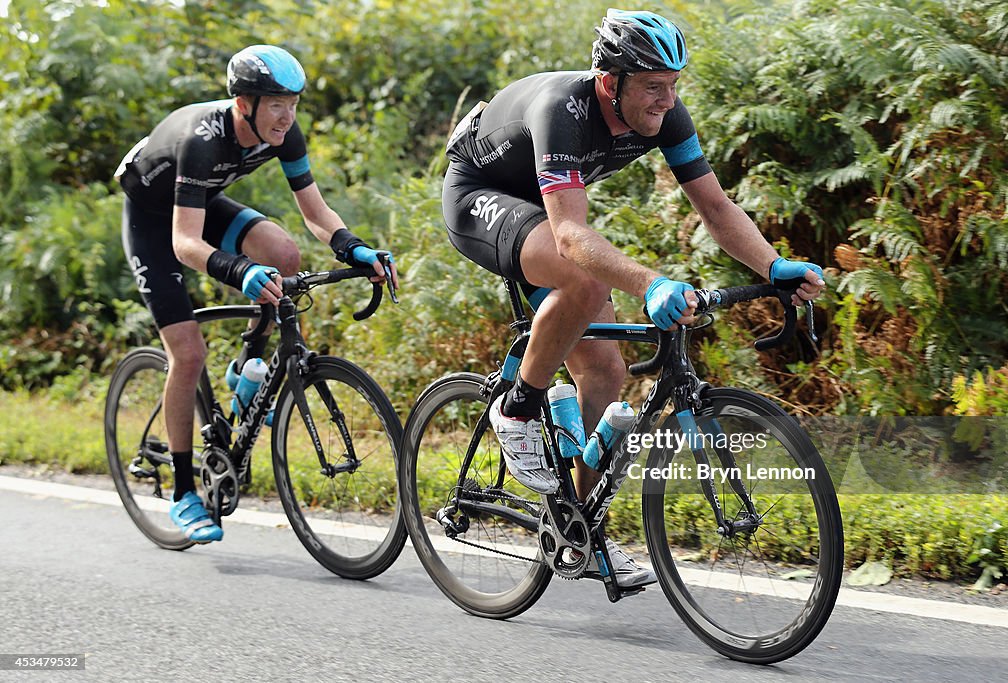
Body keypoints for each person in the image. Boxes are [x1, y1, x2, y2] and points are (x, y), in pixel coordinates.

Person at [441, 10, 824, 587]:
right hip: (481, 194)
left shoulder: (663, 112)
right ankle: (517, 405)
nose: (667, 99)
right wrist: (652, 283)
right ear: (608, 83)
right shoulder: (562, 111)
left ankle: (575, 530)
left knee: (605, 372)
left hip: (546, 209)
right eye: (653, 86)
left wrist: (774, 264)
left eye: (674, 84)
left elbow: (716, 209)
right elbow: (570, 236)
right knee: (585, 276)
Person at [116, 45, 397, 544]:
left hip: (199, 202)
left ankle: (247, 366)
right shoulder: (204, 140)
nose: (286, 116)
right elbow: (185, 243)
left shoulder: (284, 133)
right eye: (275, 104)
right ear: (243, 102)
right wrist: (240, 269)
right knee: (187, 352)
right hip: (154, 221)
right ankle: (184, 492)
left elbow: (314, 211)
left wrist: (354, 249)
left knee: (284, 254)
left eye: (292, 103)